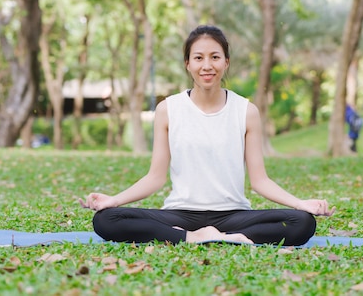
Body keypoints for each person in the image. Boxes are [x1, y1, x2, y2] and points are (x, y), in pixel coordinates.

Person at [79, 25, 335, 245]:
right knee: (106, 220)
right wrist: (113, 200)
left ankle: (216, 233)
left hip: (233, 214)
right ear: (188, 64)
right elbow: (155, 178)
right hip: (181, 213)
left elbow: (260, 181)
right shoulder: (168, 109)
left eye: (215, 57)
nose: (207, 65)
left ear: (226, 62)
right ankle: (192, 236)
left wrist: (300, 204)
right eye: (198, 58)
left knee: (302, 223)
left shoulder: (246, 111)